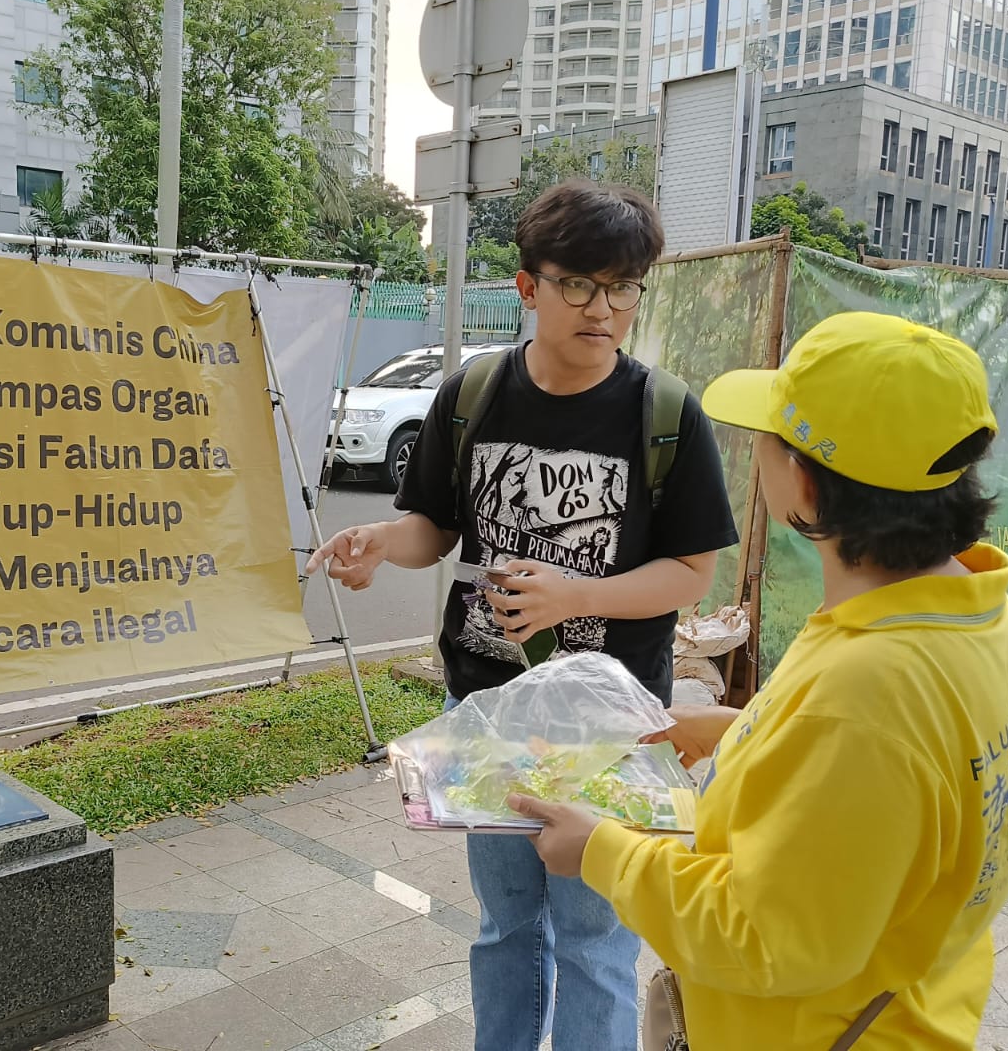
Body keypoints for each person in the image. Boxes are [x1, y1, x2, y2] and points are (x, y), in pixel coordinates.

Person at [510, 311, 1008, 1050]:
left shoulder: (866, 690)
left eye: (769, 434)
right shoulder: (972, 615)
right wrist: (748, 733)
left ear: (805, 483)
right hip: (916, 1000)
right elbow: (908, 786)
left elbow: (766, 937)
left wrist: (603, 851)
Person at [307, 181, 739, 1050]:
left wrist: (578, 595)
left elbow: (692, 574)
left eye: (623, 287)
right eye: (579, 284)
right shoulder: (472, 393)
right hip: (486, 714)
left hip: (612, 728)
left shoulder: (664, 415)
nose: (603, 309)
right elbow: (436, 528)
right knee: (505, 928)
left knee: (594, 940)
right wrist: (383, 542)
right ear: (529, 287)